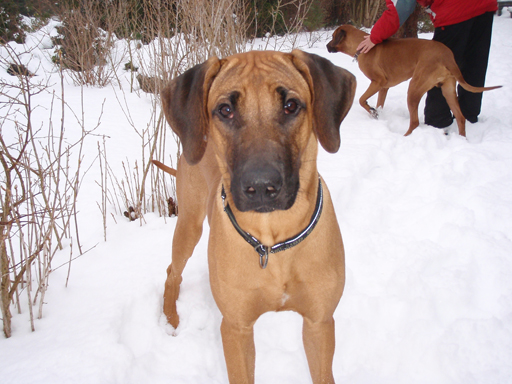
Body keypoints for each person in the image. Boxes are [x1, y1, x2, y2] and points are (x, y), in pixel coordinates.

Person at [357, 0, 498, 129]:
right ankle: (469, 116)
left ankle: (438, 122)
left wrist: (375, 36)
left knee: (437, 68)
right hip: (484, 7)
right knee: (474, 63)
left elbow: (402, 6)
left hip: (453, 10)